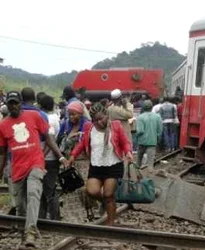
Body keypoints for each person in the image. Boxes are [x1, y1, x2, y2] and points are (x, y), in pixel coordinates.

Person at [0, 91, 68, 247]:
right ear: (7, 105)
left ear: (21, 102)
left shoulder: (34, 116)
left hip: (35, 163)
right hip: (17, 168)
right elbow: (2, 153)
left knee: (33, 194)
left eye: (16, 103)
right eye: (10, 103)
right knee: (20, 205)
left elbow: (49, 139)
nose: (13, 106)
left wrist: (61, 157)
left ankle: (31, 233)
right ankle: (23, 229)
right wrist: (1, 171)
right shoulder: (3, 125)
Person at [68, 103, 133, 226]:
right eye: (95, 120)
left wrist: (128, 152)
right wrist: (73, 156)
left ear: (106, 115)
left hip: (113, 165)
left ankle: (110, 223)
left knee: (109, 194)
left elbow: (125, 142)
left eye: (101, 118)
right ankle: (105, 203)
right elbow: (82, 144)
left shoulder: (116, 126)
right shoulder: (89, 127)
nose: (98, 122)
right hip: (96, 166)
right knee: (91, 191)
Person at [39, 95, 61, 220]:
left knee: (48, 190)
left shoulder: (47, 119)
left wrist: (42, 155)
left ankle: (53, 217)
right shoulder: (55, 118)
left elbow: (49, 140)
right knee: (49, 189)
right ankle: (47, 217)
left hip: (47, 158)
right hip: (52, 158)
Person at [136, 100, 162, 174]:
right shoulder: (157, 117)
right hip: (152, 141)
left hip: (142, 141)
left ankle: (137, 176)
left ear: (143, 107)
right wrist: (157, 137)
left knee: (138, 162)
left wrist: (136, 137)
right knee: (150, 163)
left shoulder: (140, 117)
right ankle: (150, 178)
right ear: (151, 107)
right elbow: (160, 130)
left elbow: (140, 131)